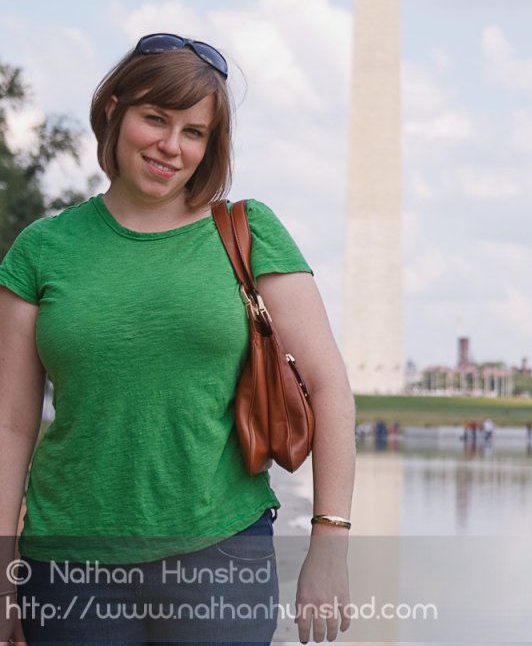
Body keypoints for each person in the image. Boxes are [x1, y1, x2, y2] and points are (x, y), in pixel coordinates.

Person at [0, 33, 355, 646]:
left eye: (194, 132)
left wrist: (329, 544)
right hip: (68, 565)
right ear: (114, 111)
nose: (171, 146)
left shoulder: (248, 231)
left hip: (220, 554)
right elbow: (10, 423)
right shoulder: (42, 249)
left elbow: (329, 389)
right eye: (155, 119)